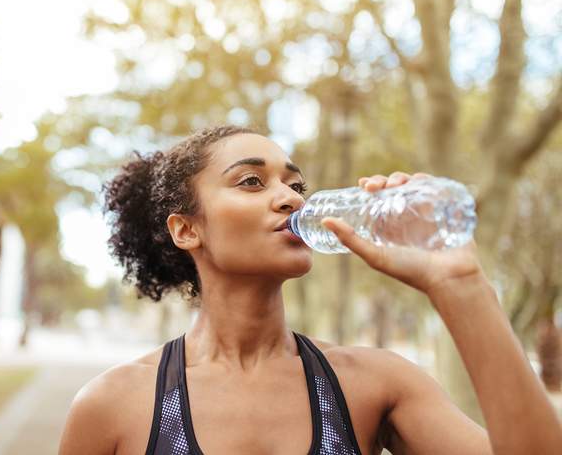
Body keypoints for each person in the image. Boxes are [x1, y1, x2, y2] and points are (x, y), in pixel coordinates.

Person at [58, 125, 562, 454]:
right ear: (187, 229)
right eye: (252, 182)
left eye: (295, 186)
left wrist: (462, 286)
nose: (289, 200)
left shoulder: (374, 383)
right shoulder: (113, 403)